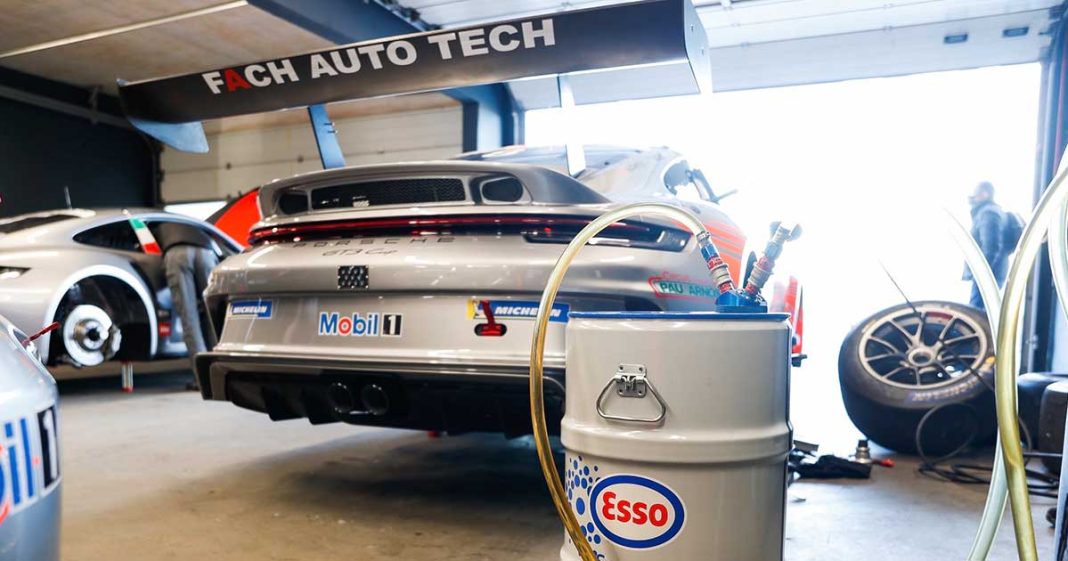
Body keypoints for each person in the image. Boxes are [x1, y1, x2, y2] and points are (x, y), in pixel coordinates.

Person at [152, 222, 220, 388]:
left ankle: (204, 380)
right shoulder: (188, 220)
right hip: (206, 251)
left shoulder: (154, 224)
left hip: (177, 254)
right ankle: (222, 374)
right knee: (213, 315)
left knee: (189, 318)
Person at [965, 181, 1009, 310]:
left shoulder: (988, 214)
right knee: (981, 312)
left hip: (987, 275)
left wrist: (982, 273)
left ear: (985, 193)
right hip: (992, 273)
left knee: (975, 313)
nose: (974, 197)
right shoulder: (990, 213)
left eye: (976, 193)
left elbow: (992, 248)